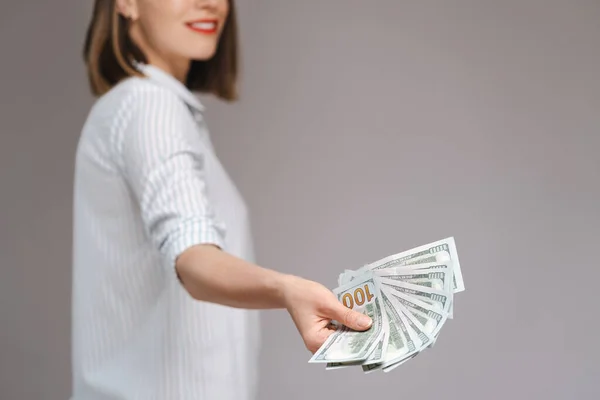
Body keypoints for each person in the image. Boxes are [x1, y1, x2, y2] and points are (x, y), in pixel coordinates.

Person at [71, 0, 373, 399]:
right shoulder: (148, 105)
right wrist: (286, 289)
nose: (211, 3)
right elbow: (192, 256)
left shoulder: (143, 107)